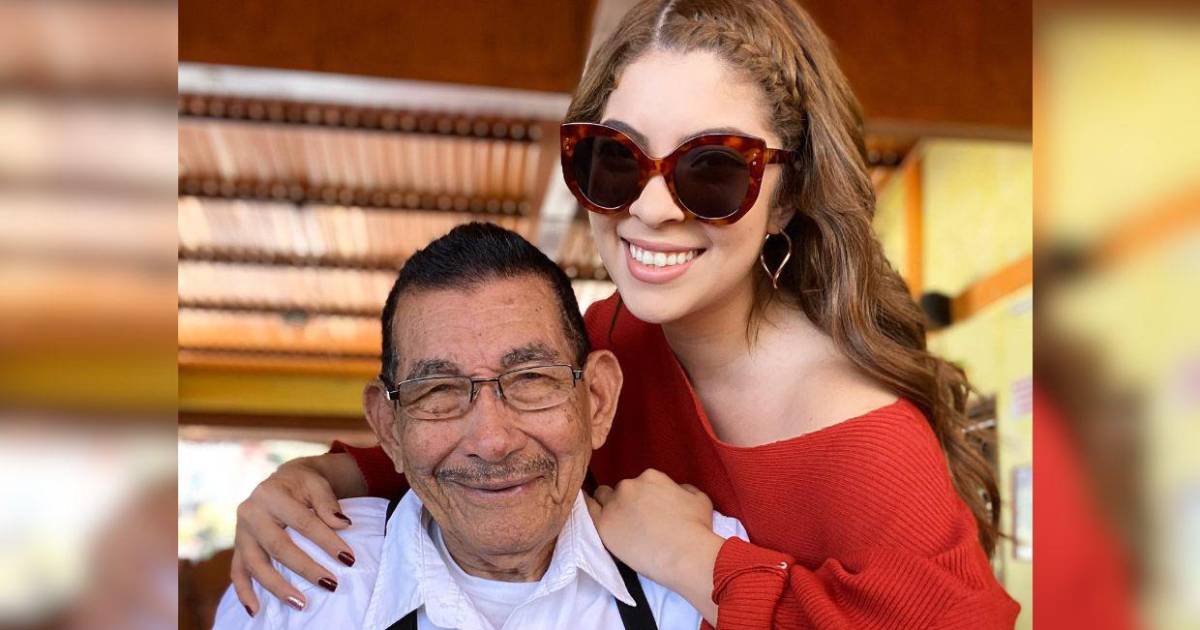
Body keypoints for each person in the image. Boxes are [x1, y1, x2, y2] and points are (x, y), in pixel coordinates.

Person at [230, 1, 1020, 627]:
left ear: (787, 199)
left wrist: (701, 563)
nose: (651, 207)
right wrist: (311, 480)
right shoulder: (619, 338)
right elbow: (492, 441)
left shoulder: (865, 439)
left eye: (712, 170)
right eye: (617, 159)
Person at [213, 223, 747, 629]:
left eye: (531, 378)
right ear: (389, 427)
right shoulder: (291, 587)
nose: (492, 441)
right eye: (439, 390)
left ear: (597, 401)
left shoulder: (696, 579)